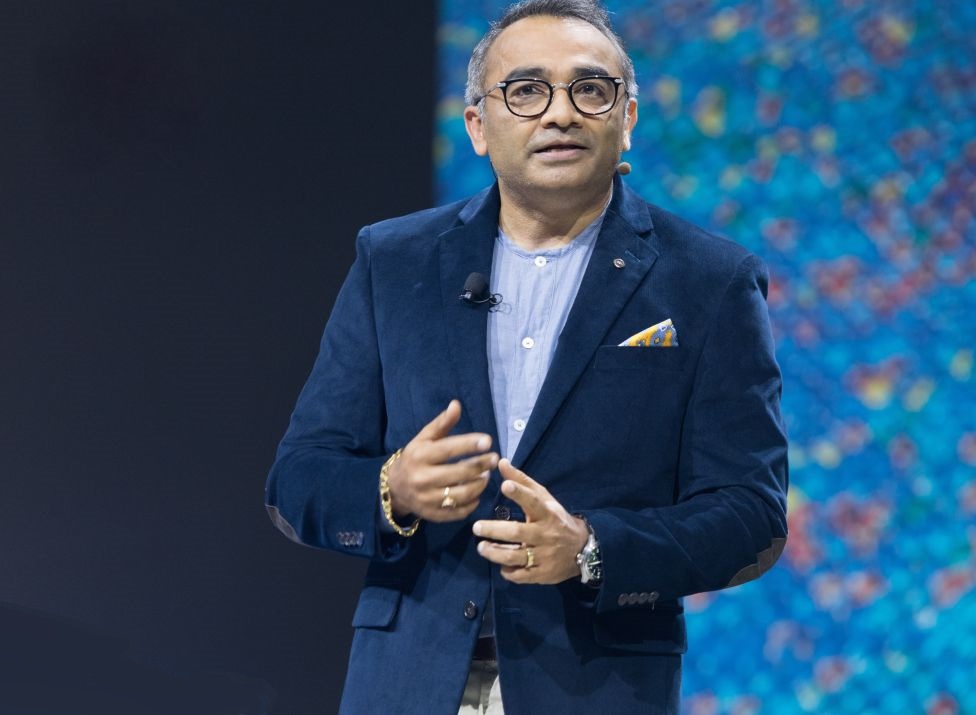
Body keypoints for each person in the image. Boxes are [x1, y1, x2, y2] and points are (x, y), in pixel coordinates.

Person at [265, 1, 788, 712]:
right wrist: (393, 488)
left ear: (627, 118)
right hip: (408, 683)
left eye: (590, 89)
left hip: (595, 686)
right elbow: (298, 479)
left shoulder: (710, 282)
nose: (560, 113)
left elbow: (751, 515)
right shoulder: (394, 261)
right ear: (478, 126)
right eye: (527, 90)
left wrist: (592, 547)